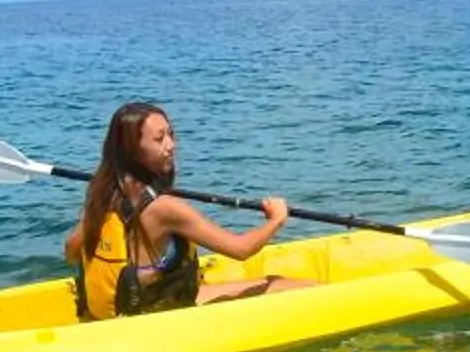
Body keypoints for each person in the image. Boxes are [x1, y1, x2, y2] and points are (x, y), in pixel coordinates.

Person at [63, 101, 316, 320]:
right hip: (157, 319)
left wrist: (148, 268)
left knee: (258, 282)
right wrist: (276, 219)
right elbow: (241, 250)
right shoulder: (166, 208)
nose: (171, 145)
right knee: (290, 286)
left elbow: (72, 251)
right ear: (133, 150)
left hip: (121, 311)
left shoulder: (103, 195)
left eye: (171, 135)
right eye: (159, 139)